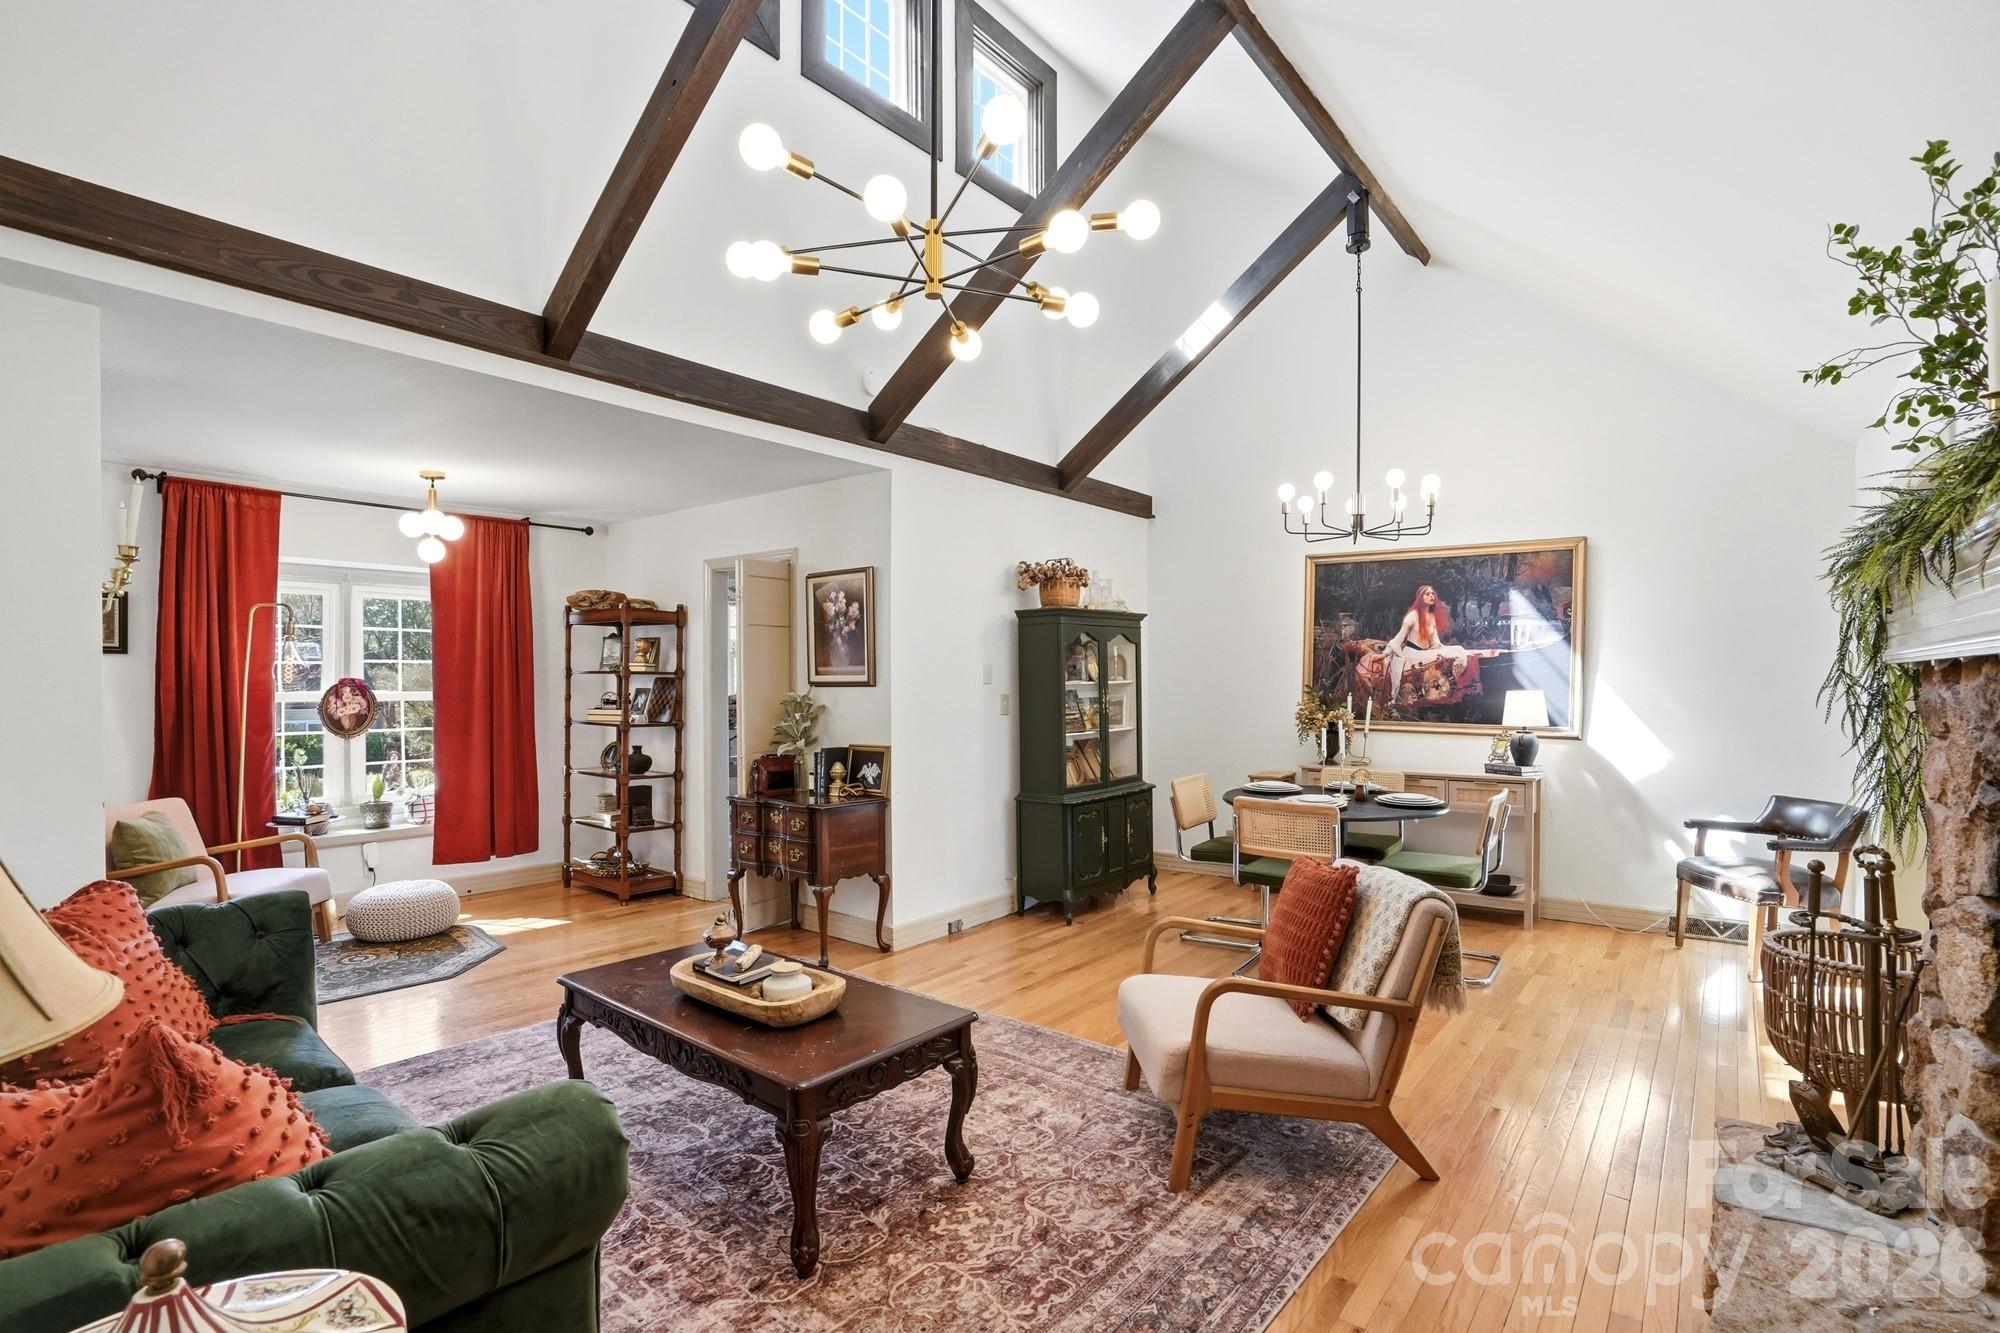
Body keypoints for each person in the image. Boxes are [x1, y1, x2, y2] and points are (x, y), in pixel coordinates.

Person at [1382, 585, 1499, 700]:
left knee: (1458, 649)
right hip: (1413, 652)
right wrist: (1387, 653)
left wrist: (1442, 648)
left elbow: (1435, 642)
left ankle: (1463, 676)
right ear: (1420, 598)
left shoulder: (1431, 617)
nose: (1431, 596)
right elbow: (1398, 639)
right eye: (1427, 594)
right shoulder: (1412, 616)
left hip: (1426, 650)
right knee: (1453, 653)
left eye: (1433, 593)